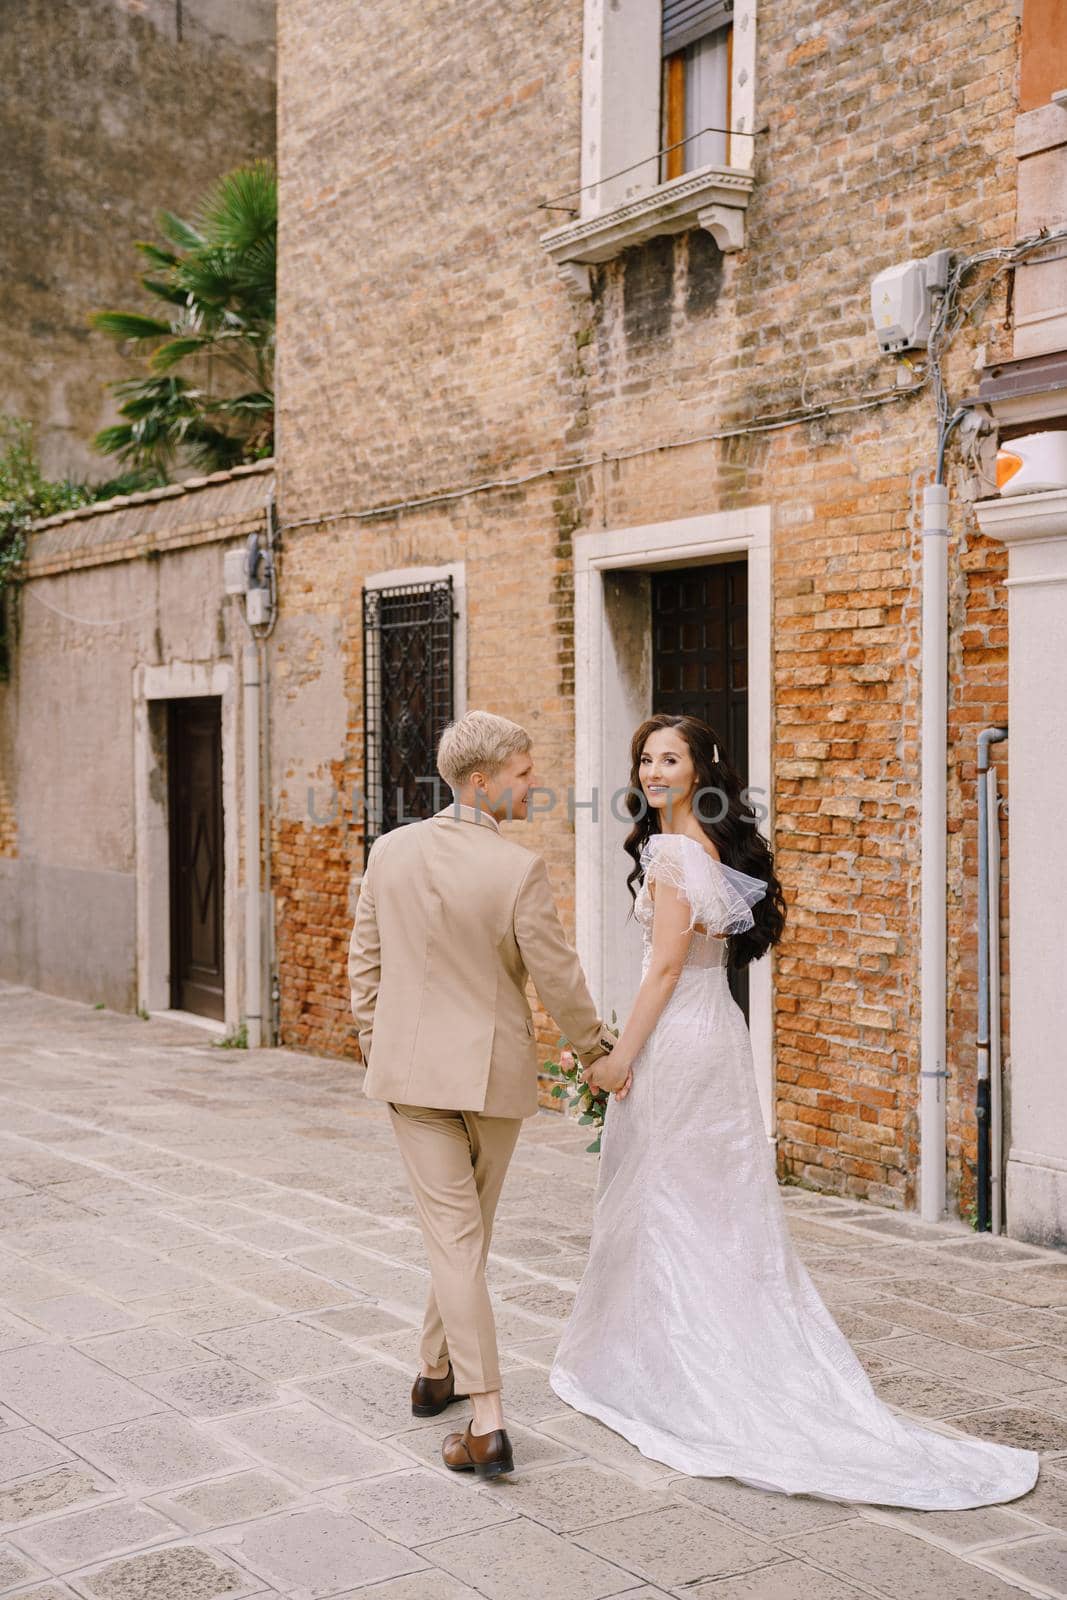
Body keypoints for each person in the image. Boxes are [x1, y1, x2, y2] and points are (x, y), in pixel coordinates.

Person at [549, 712, 1041, 1511]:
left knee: (667, 1197)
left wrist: (615, 1060)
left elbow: (666, 968)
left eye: (667, 759)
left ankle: (678, 1370)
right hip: (716, 1034)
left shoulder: (674, 853)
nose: (651, 771)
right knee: (710, 1203)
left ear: (701, 768)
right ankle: (675, 1350)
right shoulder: (701, 847)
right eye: (643, 759)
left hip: (677, 1038)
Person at [348, 709, 616, 1480]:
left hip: (410, 1077)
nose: (534, 787)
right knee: (465, 1235)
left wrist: (378, 1042)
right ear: (480, 782)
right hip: (491, 1078)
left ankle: (437, 1372)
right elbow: (558, 978)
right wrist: (595, 1051)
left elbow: (363, 965)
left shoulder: (390, 851)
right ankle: (488, 1415)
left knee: (454, 1237)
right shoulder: (516, 870)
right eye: (524, 774)